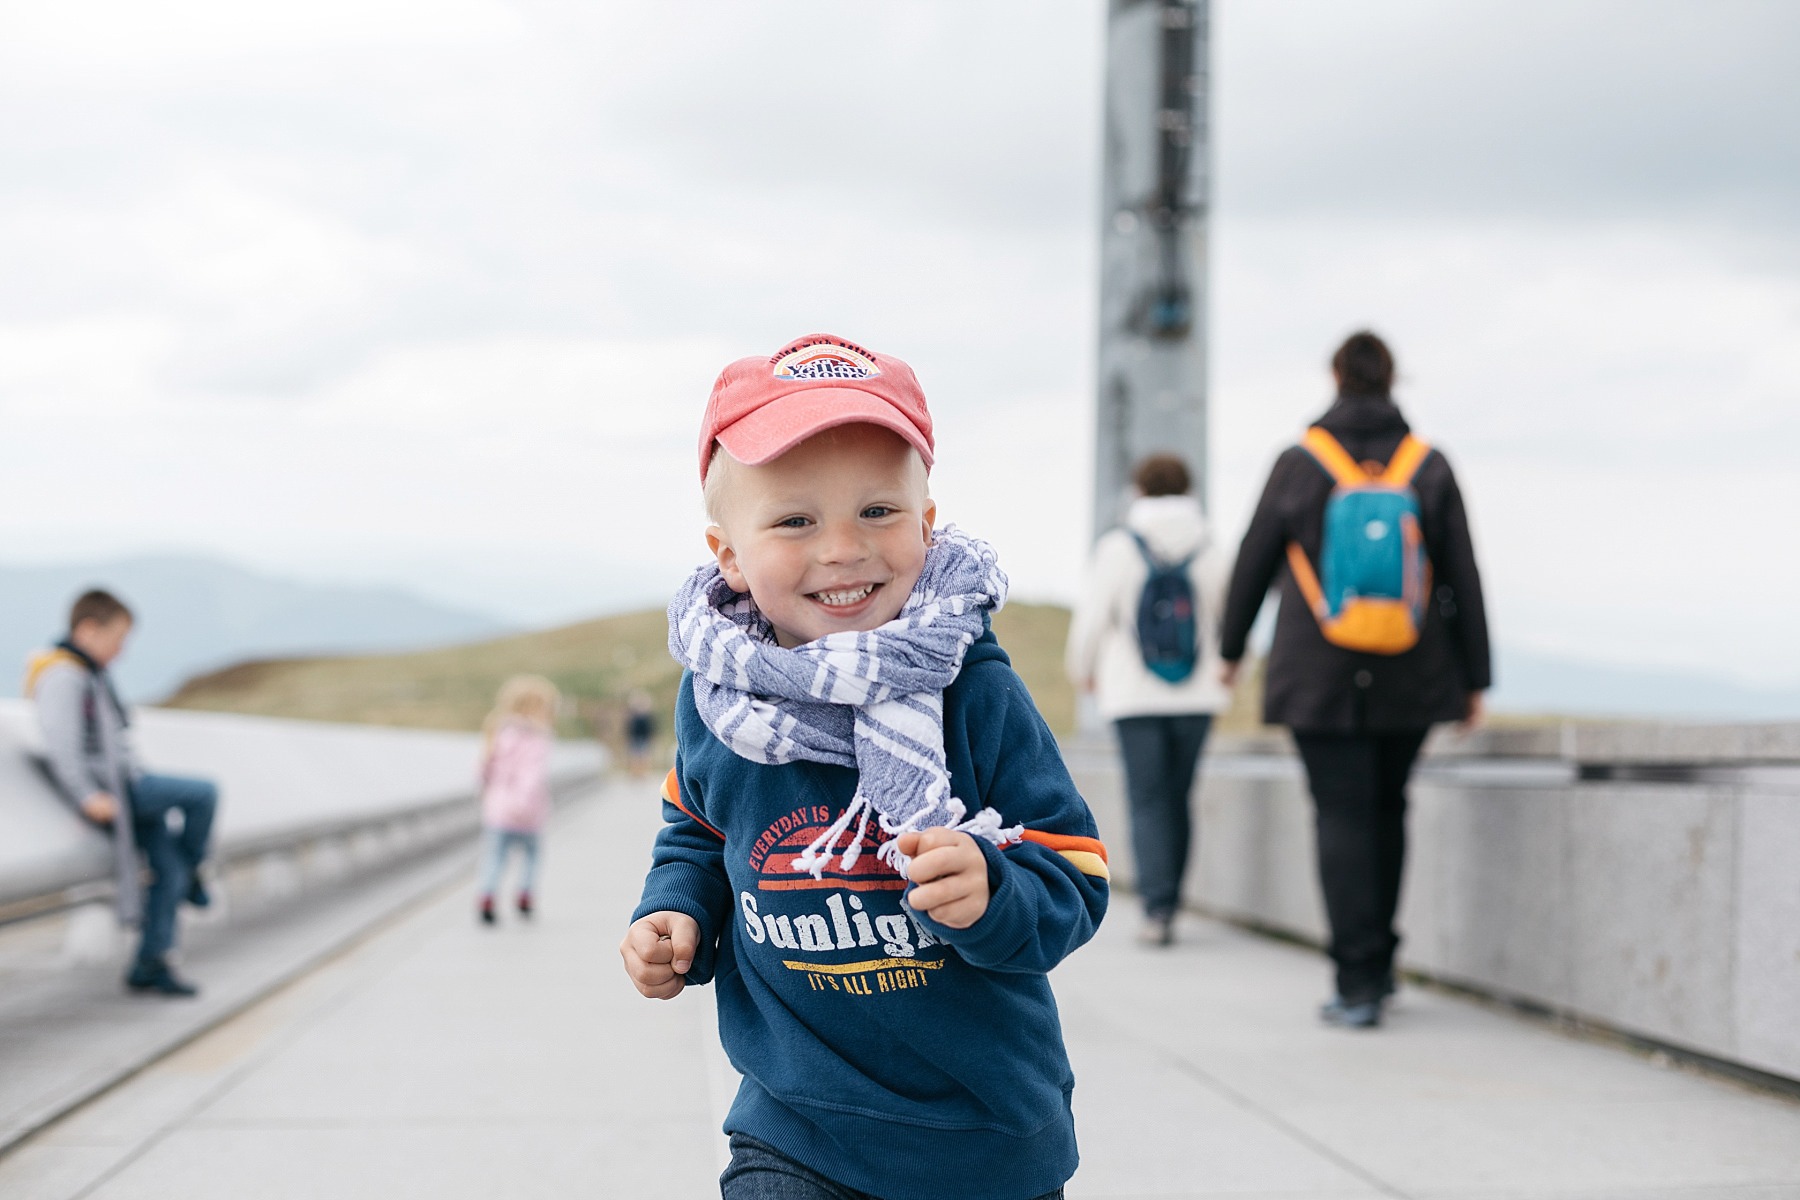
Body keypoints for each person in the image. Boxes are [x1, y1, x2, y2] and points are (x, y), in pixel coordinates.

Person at [620, 334, 1109, 1200]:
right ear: (727, 552)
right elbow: (694, 833)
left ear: (927, 523)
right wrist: (674, 912)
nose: (842, 548)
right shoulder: (718, 704)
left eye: (877, 512)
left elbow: (1074, 873)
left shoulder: (973, 692)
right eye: (796, 520)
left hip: (982, 1133)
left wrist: (994, 893)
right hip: (796, 1123)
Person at [1217, 331, 1490, 1029]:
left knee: (1339, 816)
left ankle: (1355, 981)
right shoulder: (1427, 465)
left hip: (1319, 673)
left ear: (1335, 375)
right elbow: (1462, 575)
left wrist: (1231, 648)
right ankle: (1382, 965)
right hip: (1414, 671)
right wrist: (1474, 677)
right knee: (1389, 811)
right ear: (1395, 378)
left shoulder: (1300, 463)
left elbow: (1253, 560)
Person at [1065, 453, 1231, 947]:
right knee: (1179, 797)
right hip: (1198, 696)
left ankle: (1157, 911)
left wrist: (1084, 672)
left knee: (1147, 798)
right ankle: (1171, 899)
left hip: (1133, 695)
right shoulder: (1209, 545)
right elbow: (1229, 616)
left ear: (1139, 490)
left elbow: (1093, 618)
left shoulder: (1118, 547)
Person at [23, 589, 219, 997]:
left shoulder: (89, 673)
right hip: (116, 793)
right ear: (89, 629)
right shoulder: (64, 676)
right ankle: (196, 875)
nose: (121, 650)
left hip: (123, 785)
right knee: (203, 794)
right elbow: (63, 745)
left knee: (168, 871)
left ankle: (151, 962)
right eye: (118, 639)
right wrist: (86, 796)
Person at [475, 674, 558, 925]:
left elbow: (483, 770)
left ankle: (488, 894)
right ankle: (525, 894)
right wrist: (522, 803)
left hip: (497, 809)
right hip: (528, 812)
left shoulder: (498, 732)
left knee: (496, 855)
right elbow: (531, 775)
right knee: (531, 854)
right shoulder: (537, 738)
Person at [624, 688, 656, 775]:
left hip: (644, 737)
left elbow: (650, 728)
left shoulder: (646, 716)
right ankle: (636, 772)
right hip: (634, 738)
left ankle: (643, 772)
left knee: (644, 755)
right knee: (635, 756)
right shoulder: (633, 716)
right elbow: (629, 728)